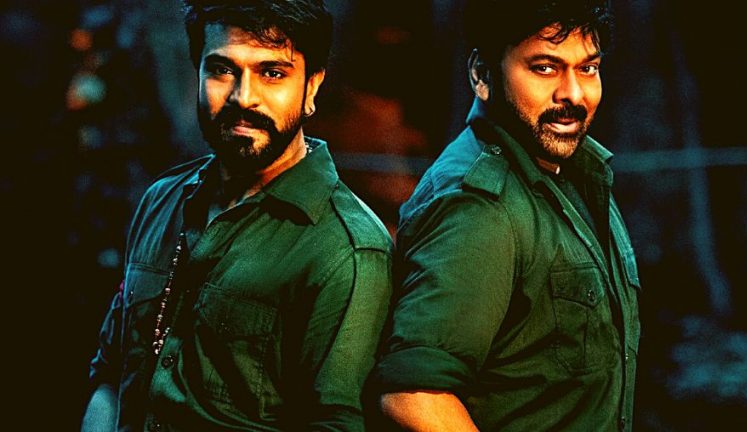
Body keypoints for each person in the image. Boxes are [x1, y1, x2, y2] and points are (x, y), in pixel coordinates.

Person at [81, 1, 393, 430]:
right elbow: (111, 374)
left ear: (312, 86)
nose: (243, 96)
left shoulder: (347, 250)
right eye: (222, 69)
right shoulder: (161, 201)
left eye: (273, 73)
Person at [372, 0, 641, 430]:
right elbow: (415, 396)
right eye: (545, 68)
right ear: (482, 75)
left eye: (588, 68)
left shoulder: (577, 171)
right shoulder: (479, 206)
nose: (573, 94)